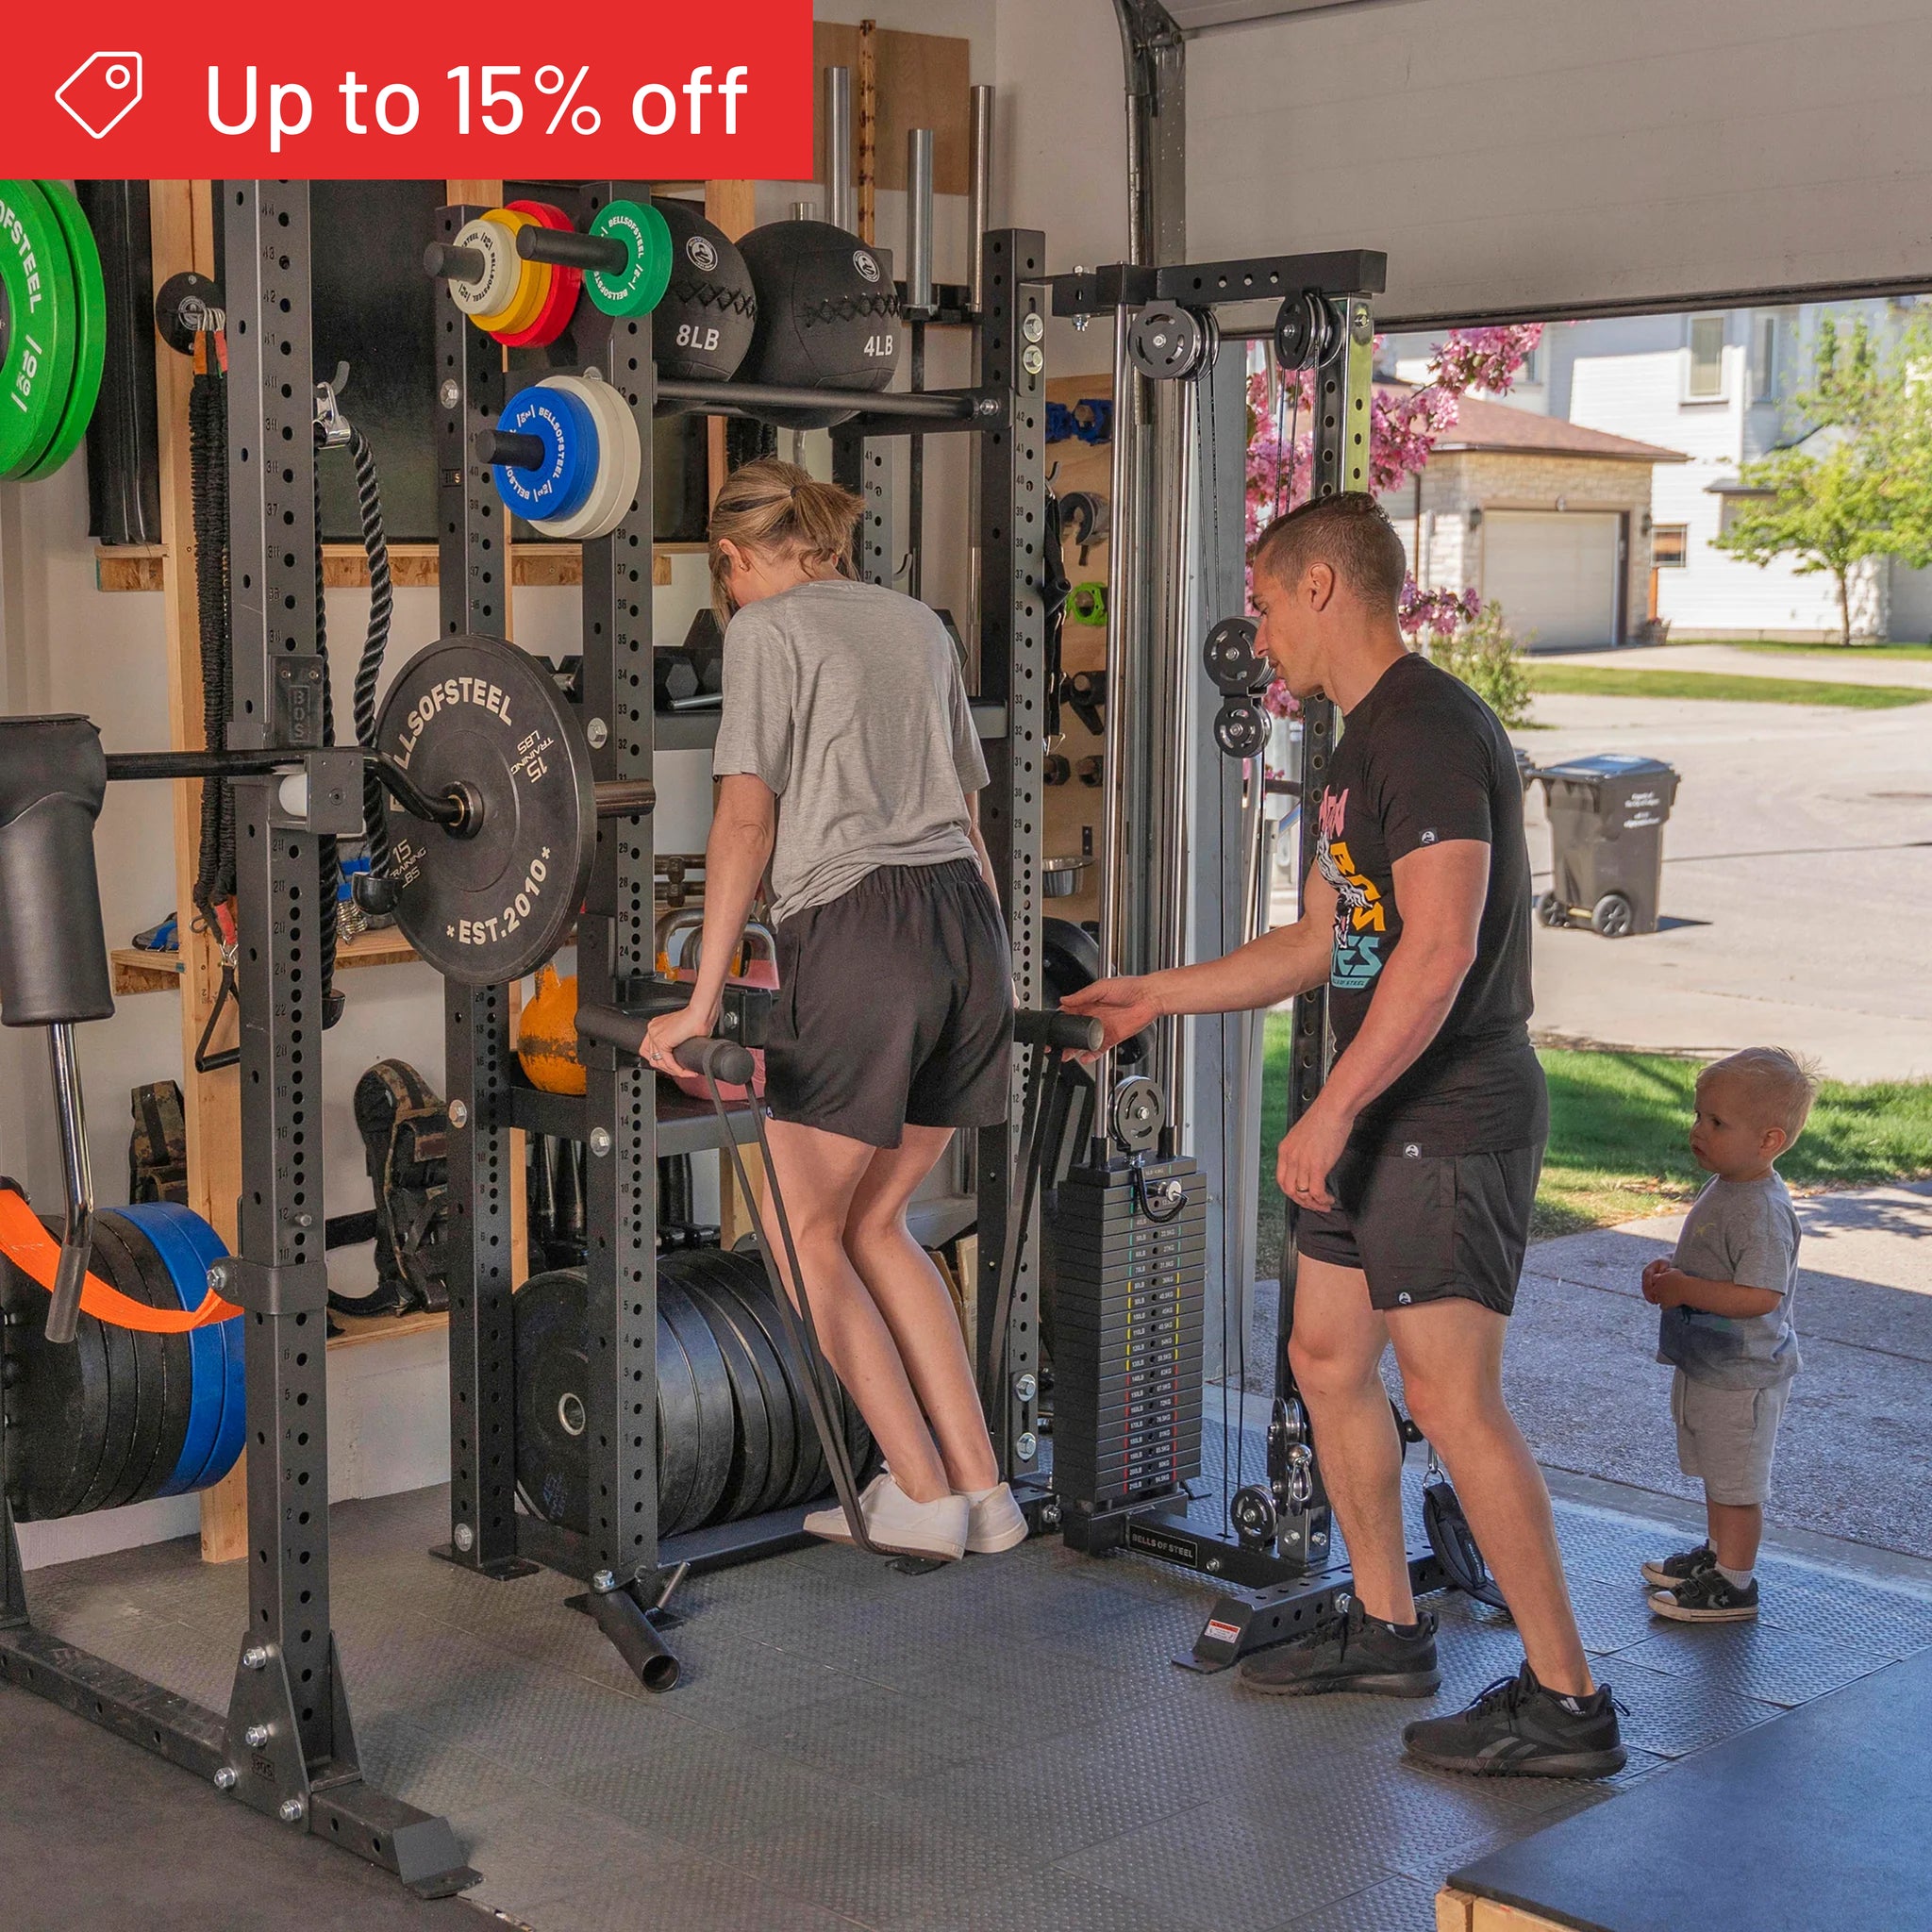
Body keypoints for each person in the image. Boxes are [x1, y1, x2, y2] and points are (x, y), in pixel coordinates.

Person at [1062, 491, 1626, 1778]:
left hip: (1447, 1110)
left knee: (1450, 1397)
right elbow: (1325, 939)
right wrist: (1155, 994)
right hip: (1382, 1108)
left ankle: (1568, 1700)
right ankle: (1386, 1625)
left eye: (1264, 604)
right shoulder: (1354, 745)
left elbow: (1438, 951)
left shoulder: (1425, 731)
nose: (1257, 634)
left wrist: (1332, 1106)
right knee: (1325, 1358)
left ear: (1320, 586)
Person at [641, 459, 1024, 1565]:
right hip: (968, 934)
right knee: (875, 1220)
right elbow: (967, 818)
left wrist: (696, 1005)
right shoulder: (917, 625)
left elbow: (743, 825)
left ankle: (917, 1490)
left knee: (798, 1229)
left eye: (722, 578)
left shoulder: (765, 631)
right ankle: (983, 1491)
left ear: (731, 559)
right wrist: (996, 978)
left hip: (862, 934)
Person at [1640, 1048, 1812, 1624]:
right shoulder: (1729, 1186)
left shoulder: (1762, 1210)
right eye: (1698, 1115)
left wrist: (1686, 1288)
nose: (1698, 1130)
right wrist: (1674, 1273)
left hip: (1743, 1377)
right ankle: (1718, 1557)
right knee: (1719, 1472)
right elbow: (1722, 1270)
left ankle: (1735, 1584)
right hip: (1712, 1365)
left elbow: (1761, 1296)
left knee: (1737, 1485)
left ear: (1769, 1140)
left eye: (1716, 1122)